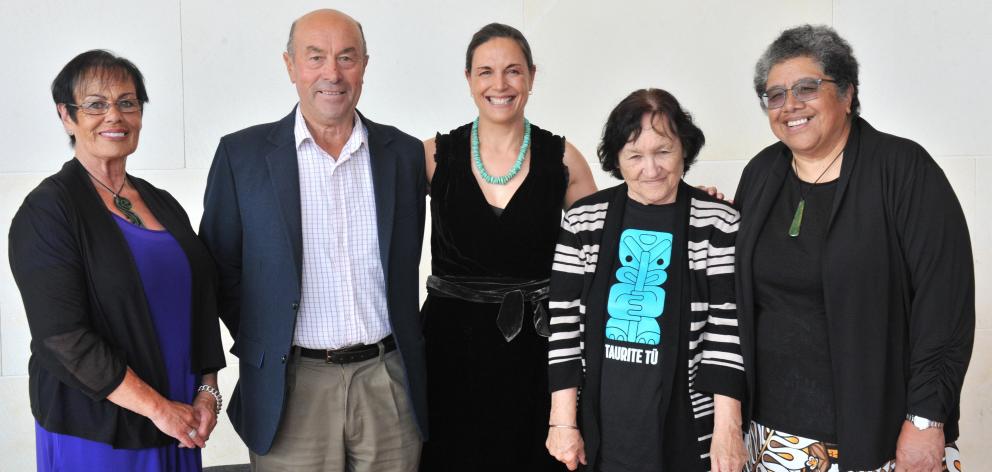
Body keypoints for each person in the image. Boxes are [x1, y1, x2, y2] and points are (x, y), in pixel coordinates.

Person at [734, 25, 973, 472]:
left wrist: (926, 418)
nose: (791, 106)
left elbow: (945, 306)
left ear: (846, 94)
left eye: (807, 88)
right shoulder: (761, 174)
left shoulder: (904, 170)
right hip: (771, 439)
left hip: (881, 435)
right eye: (776, 95)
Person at [199, 9, 427, 471]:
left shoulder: (402, 154)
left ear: (365, 65)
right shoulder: (241, 156)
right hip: (290, 384)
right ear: (290, 66)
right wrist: (269, 333)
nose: (332, 73)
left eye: (347, 57)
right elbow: (218, 269)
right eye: (316, 57)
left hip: (387, 380)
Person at [8, 49, 226, 472]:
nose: (115, 116)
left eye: (128, 102)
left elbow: (201, 301)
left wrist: (207, 391)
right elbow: (64, 339)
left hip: (181, 421)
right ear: (67, 116)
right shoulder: (48, 211)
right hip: (99, 431)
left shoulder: (162, 203)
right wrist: (158, 409)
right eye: (95, 104)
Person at [418, 23, 596, 471]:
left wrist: (691, 203)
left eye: (513, 71)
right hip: (448, 348)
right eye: (486, 72)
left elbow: (605, 246)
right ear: (468, 79)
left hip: (537, 349)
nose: (500, 85)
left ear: (532, 77)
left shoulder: (563, 159)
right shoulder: (432, 155)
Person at [545, 89, 747, 472]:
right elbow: (564, 325)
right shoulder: (583, 221)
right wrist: (563, 422)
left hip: (691, 426)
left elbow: (727, 329)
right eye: (635, 155)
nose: (651, 169)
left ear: (684, 150)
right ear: (617, 160)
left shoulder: (717, 222)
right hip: (601, 426)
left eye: (664, 151)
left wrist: (727, 428)